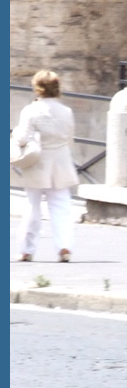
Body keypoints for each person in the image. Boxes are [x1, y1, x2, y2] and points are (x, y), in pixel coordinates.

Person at [13, 70, 78, 262]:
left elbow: (22, 137)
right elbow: (69, 137)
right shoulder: (67, 111)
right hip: (61, 161)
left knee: (32, 207)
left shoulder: (31, 110)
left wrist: (16, 134)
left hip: (38, 161)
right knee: (61, 206)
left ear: (37, 88)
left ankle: (27, 249)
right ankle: (64, 246)